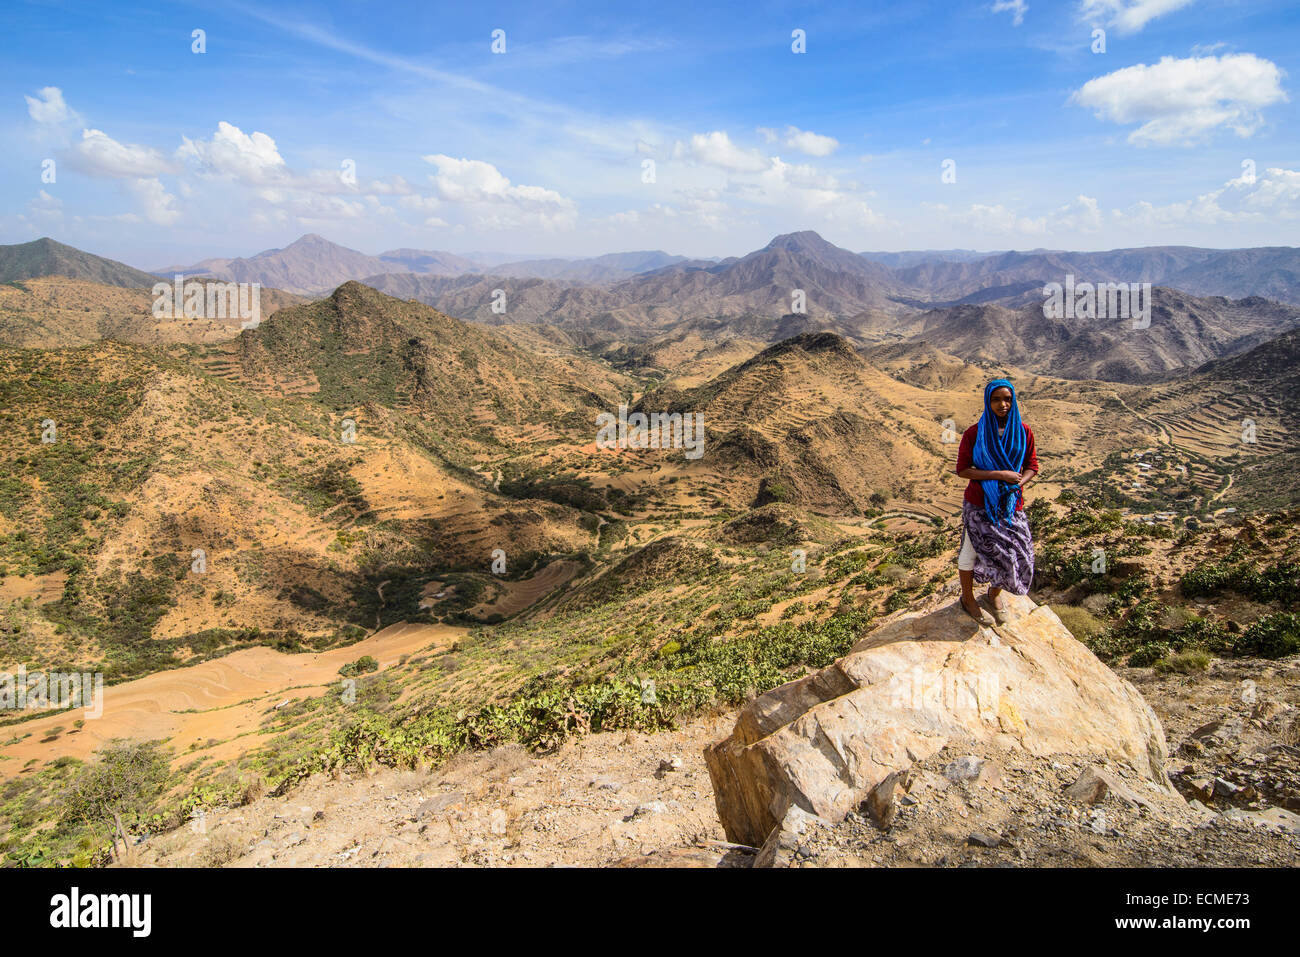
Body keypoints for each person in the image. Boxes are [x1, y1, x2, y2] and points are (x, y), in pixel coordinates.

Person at [954, 378, 1039, 625]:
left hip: (1011, 503)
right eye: (996, 399)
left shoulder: (1023, 432)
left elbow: (1032, 466)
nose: (1002, 405)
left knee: (1014, 553)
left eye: (1007, 399)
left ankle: (994, 593)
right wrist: (999, 475)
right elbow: (963, 470)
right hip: (979, 504)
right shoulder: (974, 433)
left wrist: (1018, 484)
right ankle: (968, 598)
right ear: (987, 401)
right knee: (969, 552)